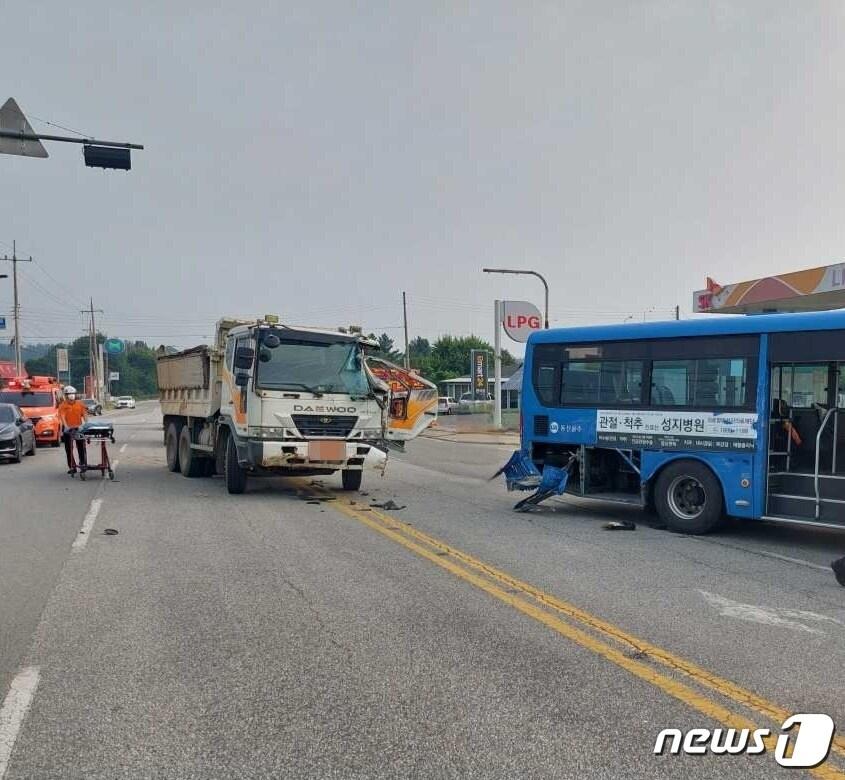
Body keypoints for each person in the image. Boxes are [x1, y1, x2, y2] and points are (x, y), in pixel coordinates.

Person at [58, 385, 88, 474]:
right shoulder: (62, 405)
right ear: (65, 395)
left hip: (79, 428)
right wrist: (66, 426)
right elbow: (62, 416)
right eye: (69, 394)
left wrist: (86, 424)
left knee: (81, 447)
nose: (71, 395)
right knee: (68, 449)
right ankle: (72, 467)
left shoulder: (80, 404)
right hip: (68, 429)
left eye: (73, 394)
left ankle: (83, 464)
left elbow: (85, 415)